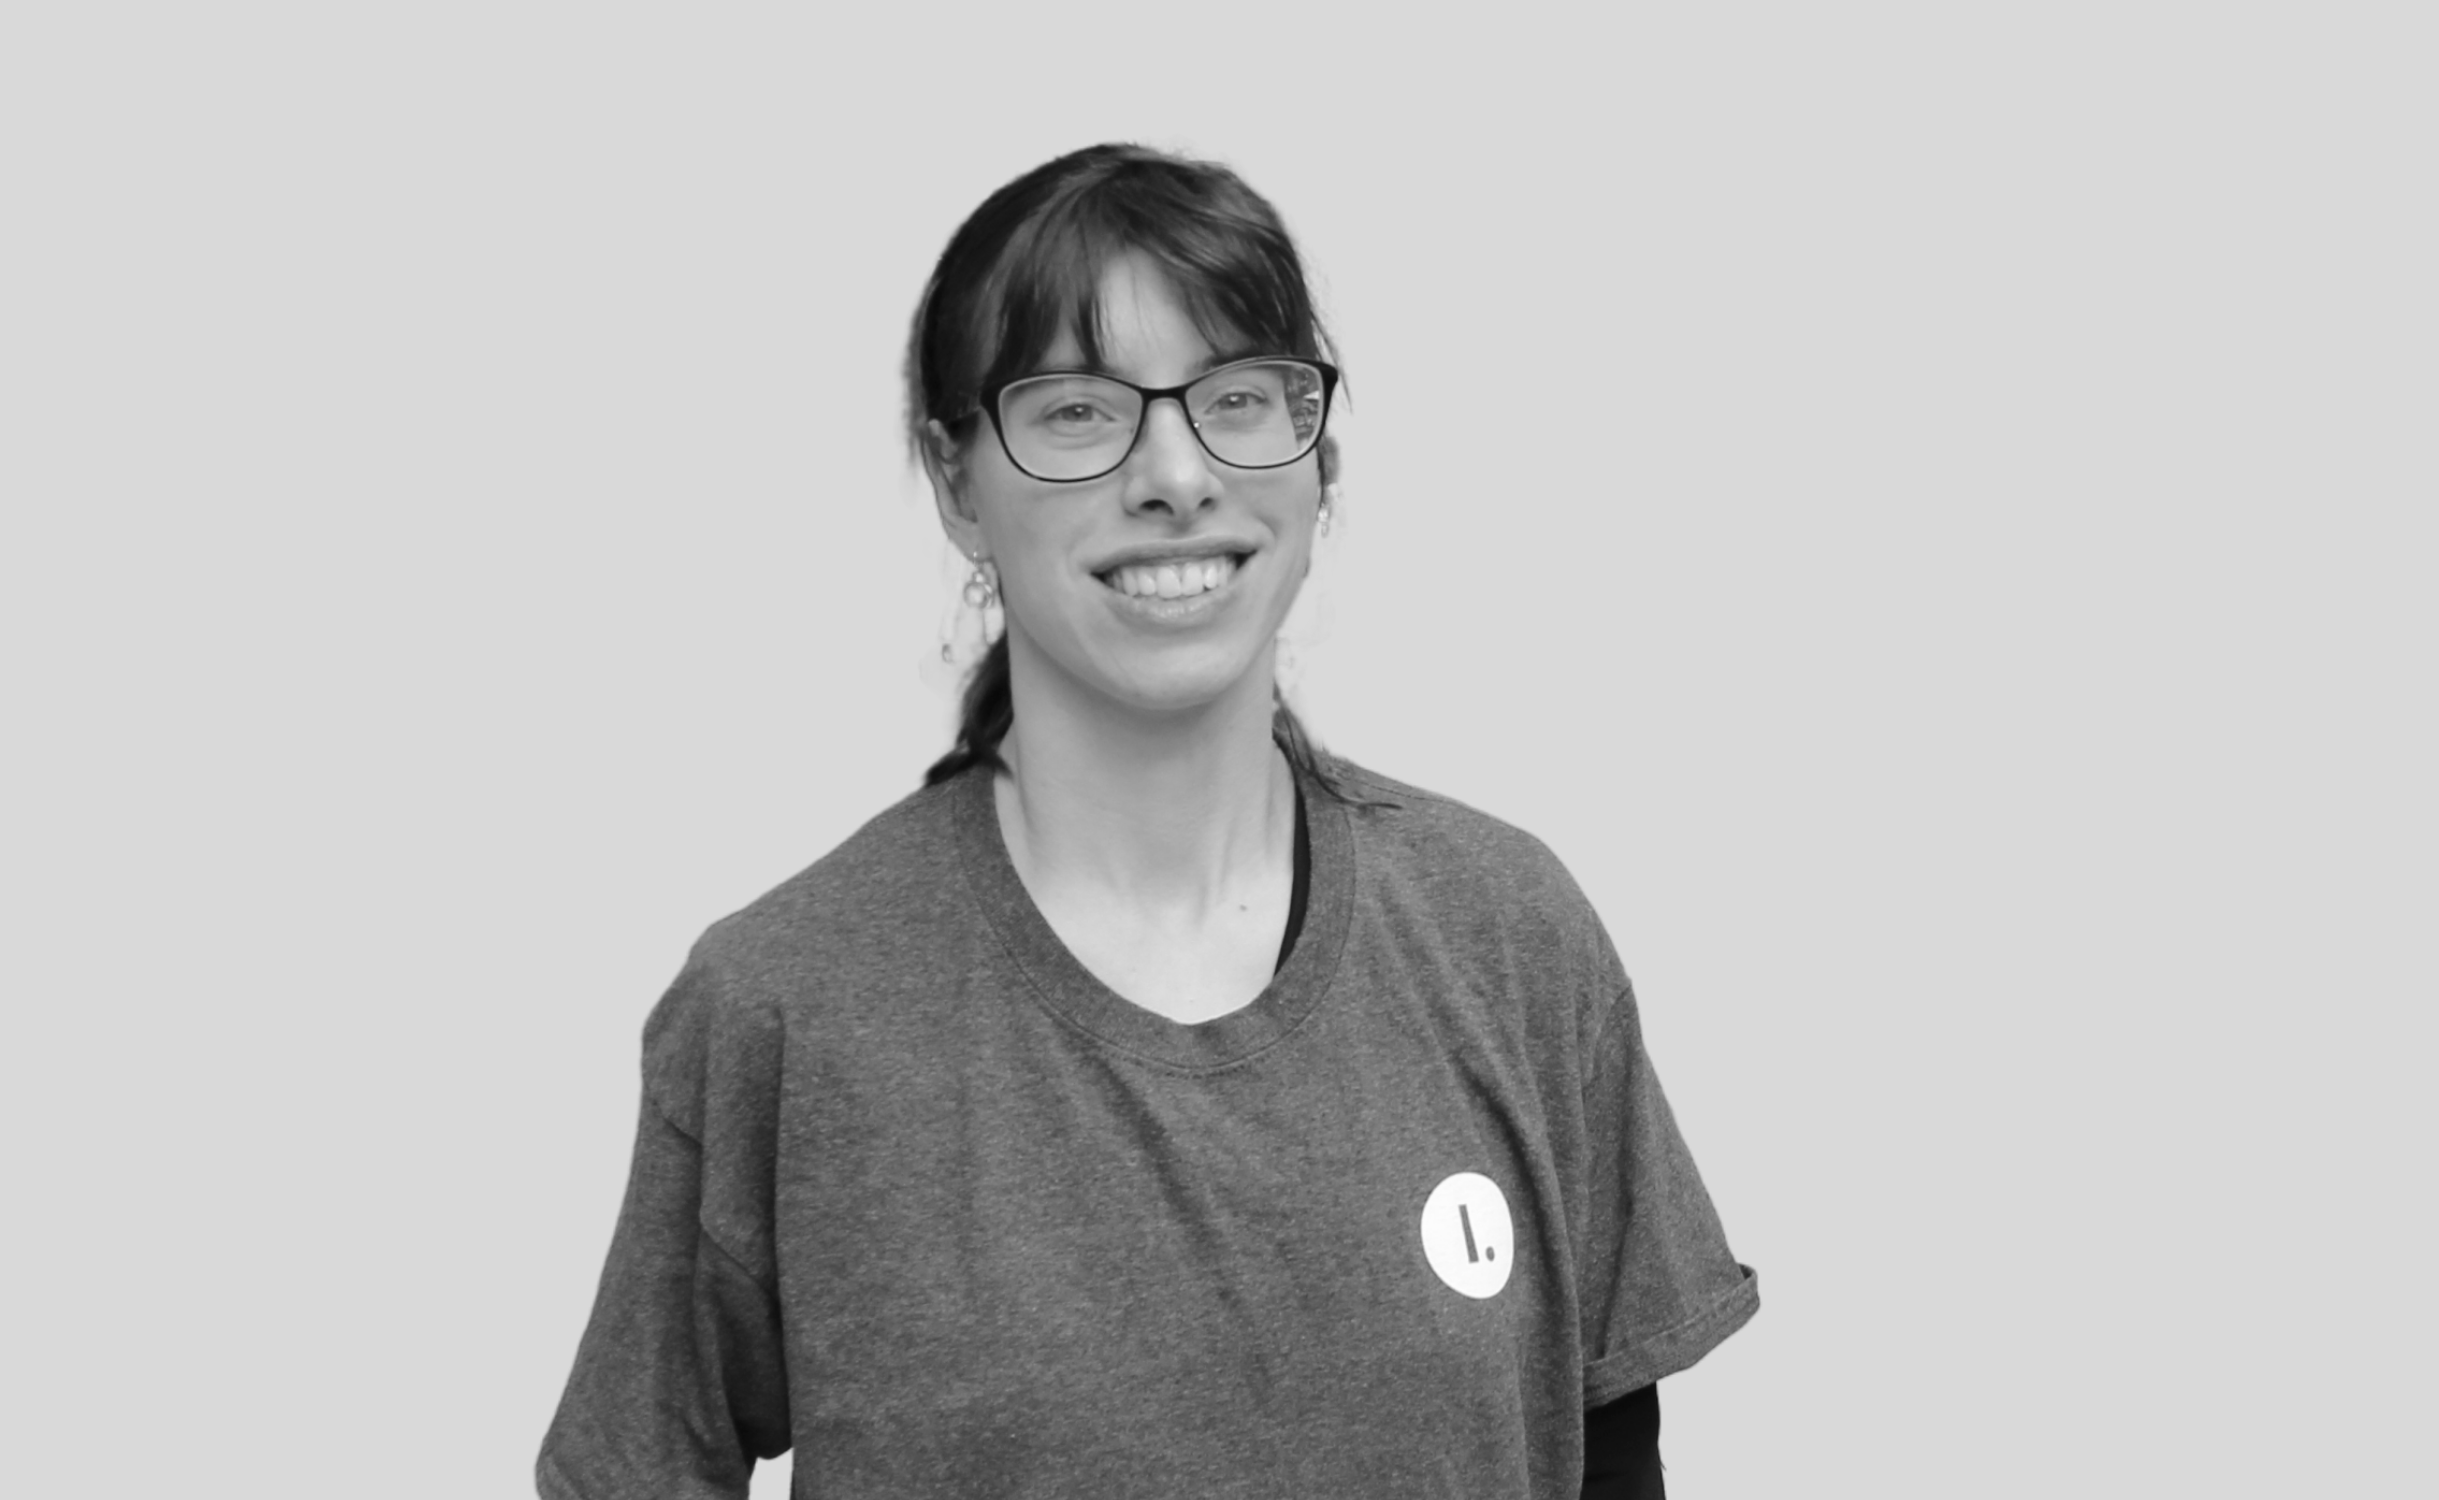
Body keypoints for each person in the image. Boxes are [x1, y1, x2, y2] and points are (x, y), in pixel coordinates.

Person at [537, 142, 1757, 1500]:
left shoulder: (1509, 934)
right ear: (955, 483)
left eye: (1240, 397)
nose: (1176, 473)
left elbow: (1613, 1459)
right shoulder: (782, 1007)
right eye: (1077, 411)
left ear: (1320, 459)